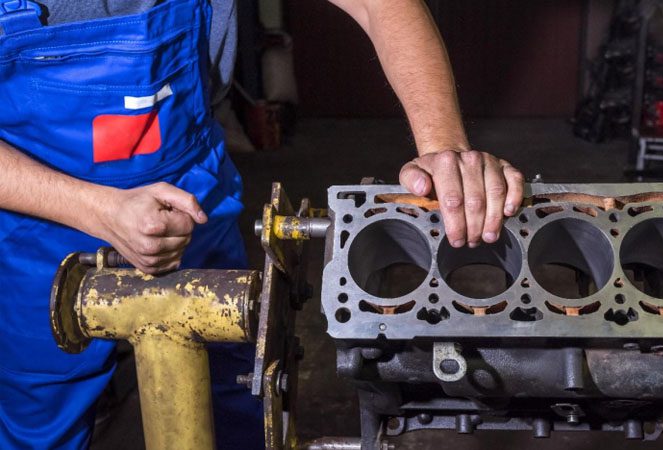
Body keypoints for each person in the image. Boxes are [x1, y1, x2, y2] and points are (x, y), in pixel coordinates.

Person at [0, 0, 524, 448]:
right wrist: (97, 211)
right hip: (38, 212)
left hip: (190, 196)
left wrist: (444, 148)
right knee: (41, 414)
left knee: (240, 385)